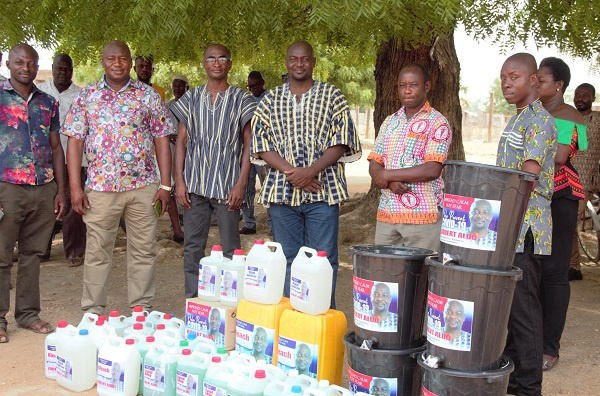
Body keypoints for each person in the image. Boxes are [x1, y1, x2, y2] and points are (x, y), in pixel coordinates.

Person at [62, 40, 172, 315]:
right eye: (111, 58)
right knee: (98, 252)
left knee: (144, 250)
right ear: (103, 63)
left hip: (143, 187)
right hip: (100, 188)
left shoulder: (147, 96)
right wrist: (76, 188)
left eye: (123, 58)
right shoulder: (87, 96)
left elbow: (161, 140)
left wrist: (165, 185)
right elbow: (74, 143)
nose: (118, 63)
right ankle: (93, 311)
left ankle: (141, 310)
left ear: (130, 62)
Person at [252, 41, 361, 309]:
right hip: (281, 192)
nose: (299, 64)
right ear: (286, 62)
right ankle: (294, 318)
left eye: (304, 59)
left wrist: (310, 172)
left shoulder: (332, 95)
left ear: (313, 62)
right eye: (293, 59)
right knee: (288, 258)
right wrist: (293, 173)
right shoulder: (270, 99)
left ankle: (323, 316)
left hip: (323, 191)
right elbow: (261, 142)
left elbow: (342, 138)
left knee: (323, 258)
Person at [172, 44, 256, 299]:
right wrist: (179, 182)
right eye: (211, 58)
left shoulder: (243, 99)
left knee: (231, 250)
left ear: (229, 64)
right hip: (194, 186)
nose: (216, 62)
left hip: (228, 188)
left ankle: (231, 306)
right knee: (192, 248)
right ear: (204, 64)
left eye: (222, 58)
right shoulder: (191, 98)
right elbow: (182, 142)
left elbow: (249, 144)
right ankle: (194, 301)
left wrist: (242, 183)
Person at [497, 53, 557, 396]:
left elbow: (528, 176)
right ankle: (512, 377)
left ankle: (528, 387)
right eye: (504, 77)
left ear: (534, 80)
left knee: (524, 310)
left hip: (527, 227)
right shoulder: (516, 119)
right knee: (510, 309)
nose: (507, 82)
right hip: (510, 228)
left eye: (515, 76)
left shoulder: (539, 121)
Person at [0, 44, 66, 343]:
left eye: (31, 62)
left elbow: (56, 148)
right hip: (7, 188)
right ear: (9, 64)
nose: (25, 67)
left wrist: (61, 190)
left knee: (32, 256)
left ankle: (27, 314)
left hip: (43, 188)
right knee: (1, 257)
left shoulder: (48, 103)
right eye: (19, 62)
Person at [536, 57, 587, 372]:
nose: (535, 84)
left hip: (560, 195)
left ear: (559, 85)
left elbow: (559, 155)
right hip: (534, 198)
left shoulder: (568, 114)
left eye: (541, 80)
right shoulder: (534, 113)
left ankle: (548, 348)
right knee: (531, 272)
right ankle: (529, 341)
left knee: (554, 274)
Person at [368, 64, 451, 253]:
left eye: (413, 85)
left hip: (423, 216)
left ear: (426, 86)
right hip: (388, 214)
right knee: (385, 275)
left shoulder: (437, 122)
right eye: (402, 85)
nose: (407, 90)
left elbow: (432, 169)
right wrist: (388, 182)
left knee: (421, 275)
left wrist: (387, 175)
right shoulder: (390, 121)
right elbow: (375, 162)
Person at [38, 53, 85, 267]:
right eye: (59, 68)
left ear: (72, 70)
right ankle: (41, 249)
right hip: (44, 159)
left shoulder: (81, 96)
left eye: (67, 68)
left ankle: (75, 251)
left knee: (74, 204)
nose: (63, 72)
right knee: (44, 204)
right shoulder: (40, 93)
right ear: (52, 67)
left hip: (74, 160)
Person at [570, 83, 600, 281]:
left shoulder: (597, 121)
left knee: (570, 222)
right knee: (565, 223)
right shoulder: (566, 117)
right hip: (563, 176)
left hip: (585, 180)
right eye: (577, 94)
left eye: (585, 95)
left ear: (593, 98)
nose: (580, 98)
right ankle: (571, 266)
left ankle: (573, 266)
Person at [240, 71, 270, 235]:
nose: (253, 89)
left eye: (255, 85)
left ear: (262, 82)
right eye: (250, 86)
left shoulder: (270, 99)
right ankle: (249, 223)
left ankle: (273, 225)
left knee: (268, 187)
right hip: (248, 152)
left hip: (265, 152)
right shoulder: (247, 100)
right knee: (246, 189)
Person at [165, 74, 189, 243]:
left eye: (181, 85)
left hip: (190, 149)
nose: (177, 88)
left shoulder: (191, 104)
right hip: (171, 149)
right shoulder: (167, 106)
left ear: (186, 87)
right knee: (172, 183)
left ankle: (187, 217)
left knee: (188, 181)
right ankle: (178, 223)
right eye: (175, 86)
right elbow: (160, 129)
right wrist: (169, 137)